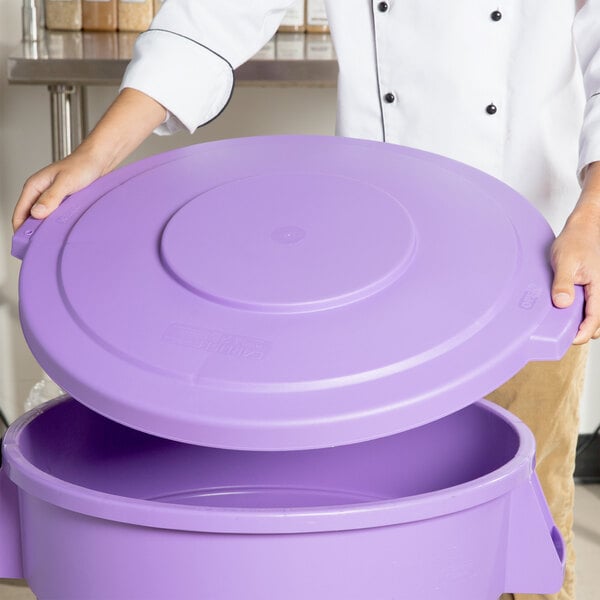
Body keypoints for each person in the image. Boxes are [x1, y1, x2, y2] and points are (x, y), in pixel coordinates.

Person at [12, 2, 600, 599]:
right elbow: (212, 15)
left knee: (527, 538)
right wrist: (96, 155)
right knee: (366, 560)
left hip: (532, 263)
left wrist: (597, 209)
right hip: (370, 278)